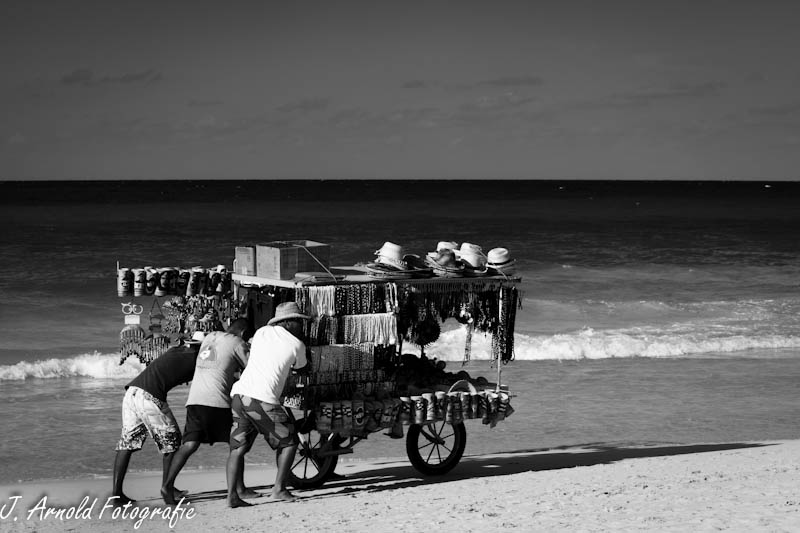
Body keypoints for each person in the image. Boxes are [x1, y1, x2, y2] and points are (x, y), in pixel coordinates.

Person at [161, 318, 253, 505]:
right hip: (217, 401)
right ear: (243, 333)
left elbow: (216, 364)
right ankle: (240, 489)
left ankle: (167, 485)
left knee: (189, 445)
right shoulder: (238, 343)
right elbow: (251, 368)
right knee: (236, 444)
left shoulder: (210, 337)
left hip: (195, 400)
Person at [226, 302, 310, 506]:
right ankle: (279, 489)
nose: (301, 325)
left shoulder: (262, 332)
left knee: (238, 447)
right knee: (290, 443)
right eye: (298, 321)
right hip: (262, 400)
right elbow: (301, 368)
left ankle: (232, 497)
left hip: (239, 395)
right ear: (289, 322)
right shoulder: (297, 345)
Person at [112, 333, 204, 504]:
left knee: (127, 443)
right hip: (149, 397)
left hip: (132, 392)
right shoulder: (197, 359)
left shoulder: (176, 350)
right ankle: (167, 489)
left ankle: (117, 495)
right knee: (172, 442)